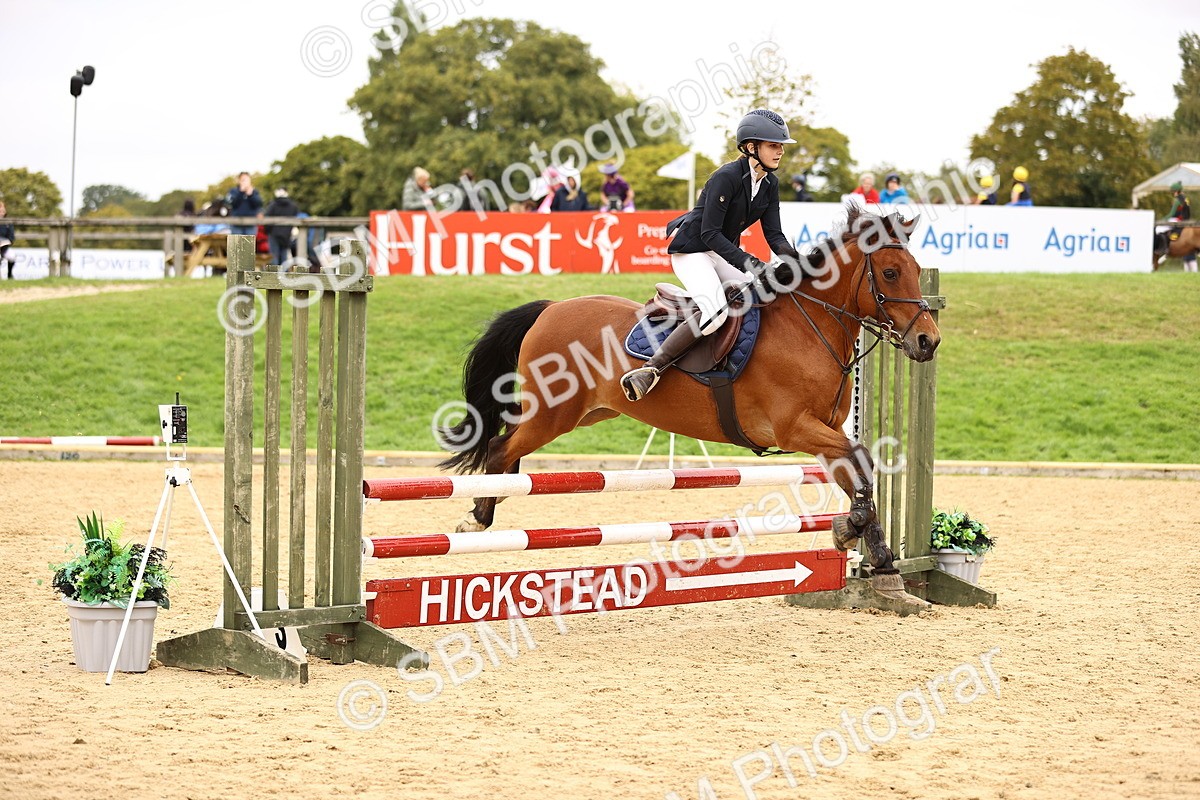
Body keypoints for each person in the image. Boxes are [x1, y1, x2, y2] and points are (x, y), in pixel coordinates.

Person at [619, 108, 802, 402]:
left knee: (763, 294)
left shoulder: (770, 184)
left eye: (781, 146)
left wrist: (799, 263)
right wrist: (750, 263)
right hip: (691, 251)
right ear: (751, 147)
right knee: (715, 312)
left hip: (718, 253)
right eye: (773, 145)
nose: (780, 151)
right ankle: (651, 370)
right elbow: (709, 234)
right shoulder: (726, 177)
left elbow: (775, 235)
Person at [263, 188, 301, 266]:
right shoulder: (293, 206)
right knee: (284, 258)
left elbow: (266, 220)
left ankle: (274, 277)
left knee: (274, 258)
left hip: (274, 234)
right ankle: (283, 276)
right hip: (286, 234)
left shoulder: (272, 205)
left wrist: (268, 231)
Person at [0, 201, 16, 279]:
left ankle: (9, 275)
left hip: (4, 247)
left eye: (3, 211)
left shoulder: (8, 222)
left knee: (12, 257)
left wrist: (7, 242)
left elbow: (11, 237)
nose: (1, 213)